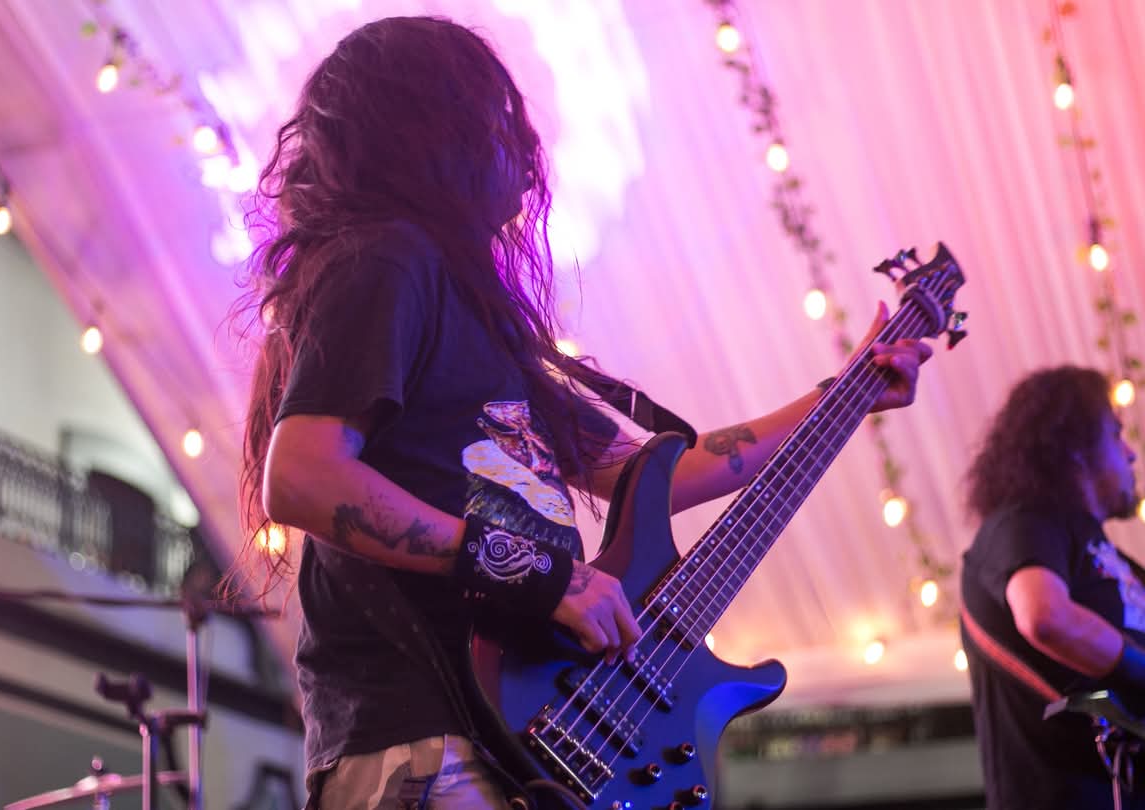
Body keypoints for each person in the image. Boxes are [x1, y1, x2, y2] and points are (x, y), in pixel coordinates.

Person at [236, 15, 932, 810]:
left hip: (511, 746)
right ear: (438, 126)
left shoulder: (474, 315)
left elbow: (662, 474)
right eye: (498, 115)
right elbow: (302, 477)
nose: (525, 144)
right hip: (427, 738)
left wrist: (845, 394)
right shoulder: (388, 257)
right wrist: (539, 572)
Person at [960, 366, 1144, 810]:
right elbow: (1045, 616)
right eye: (1115, 434)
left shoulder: (1118, 562)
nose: (1131, 453)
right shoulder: (1024, 521)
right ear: (1076, 446)